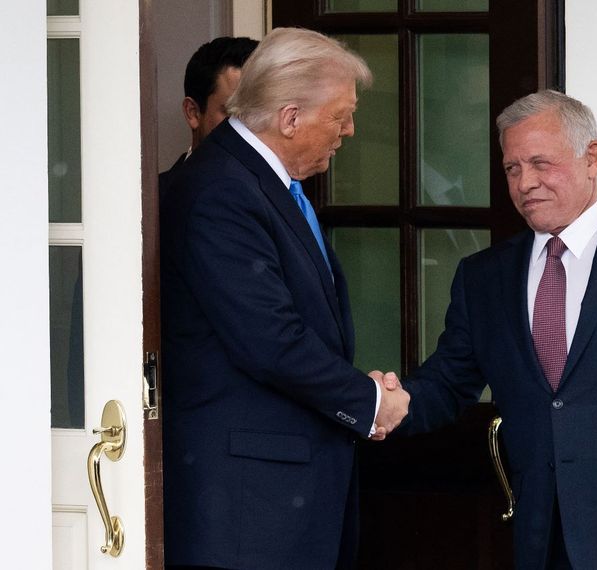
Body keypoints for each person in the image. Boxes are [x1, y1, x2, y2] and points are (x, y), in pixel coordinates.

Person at [390, 90, 597, 569]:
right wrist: (381, 405)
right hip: (538, 532)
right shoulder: (483, 276)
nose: (526, 183)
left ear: (592, 158)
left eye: (541, 163)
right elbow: (447, 383)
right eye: (512, 168)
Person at [160, 27, 409, 570]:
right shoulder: (220, 189)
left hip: (276, 500)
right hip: (246, 514)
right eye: (341, 115)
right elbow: (269, 339)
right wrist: (369, 402)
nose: (349, 130)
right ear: (290, 117)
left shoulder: (260, 180)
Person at [158, 36, 259, 197]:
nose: (250, 127)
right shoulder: (153, 201)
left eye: (257, 113)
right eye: (233, 113)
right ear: (193, 113)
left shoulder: (288, 192)